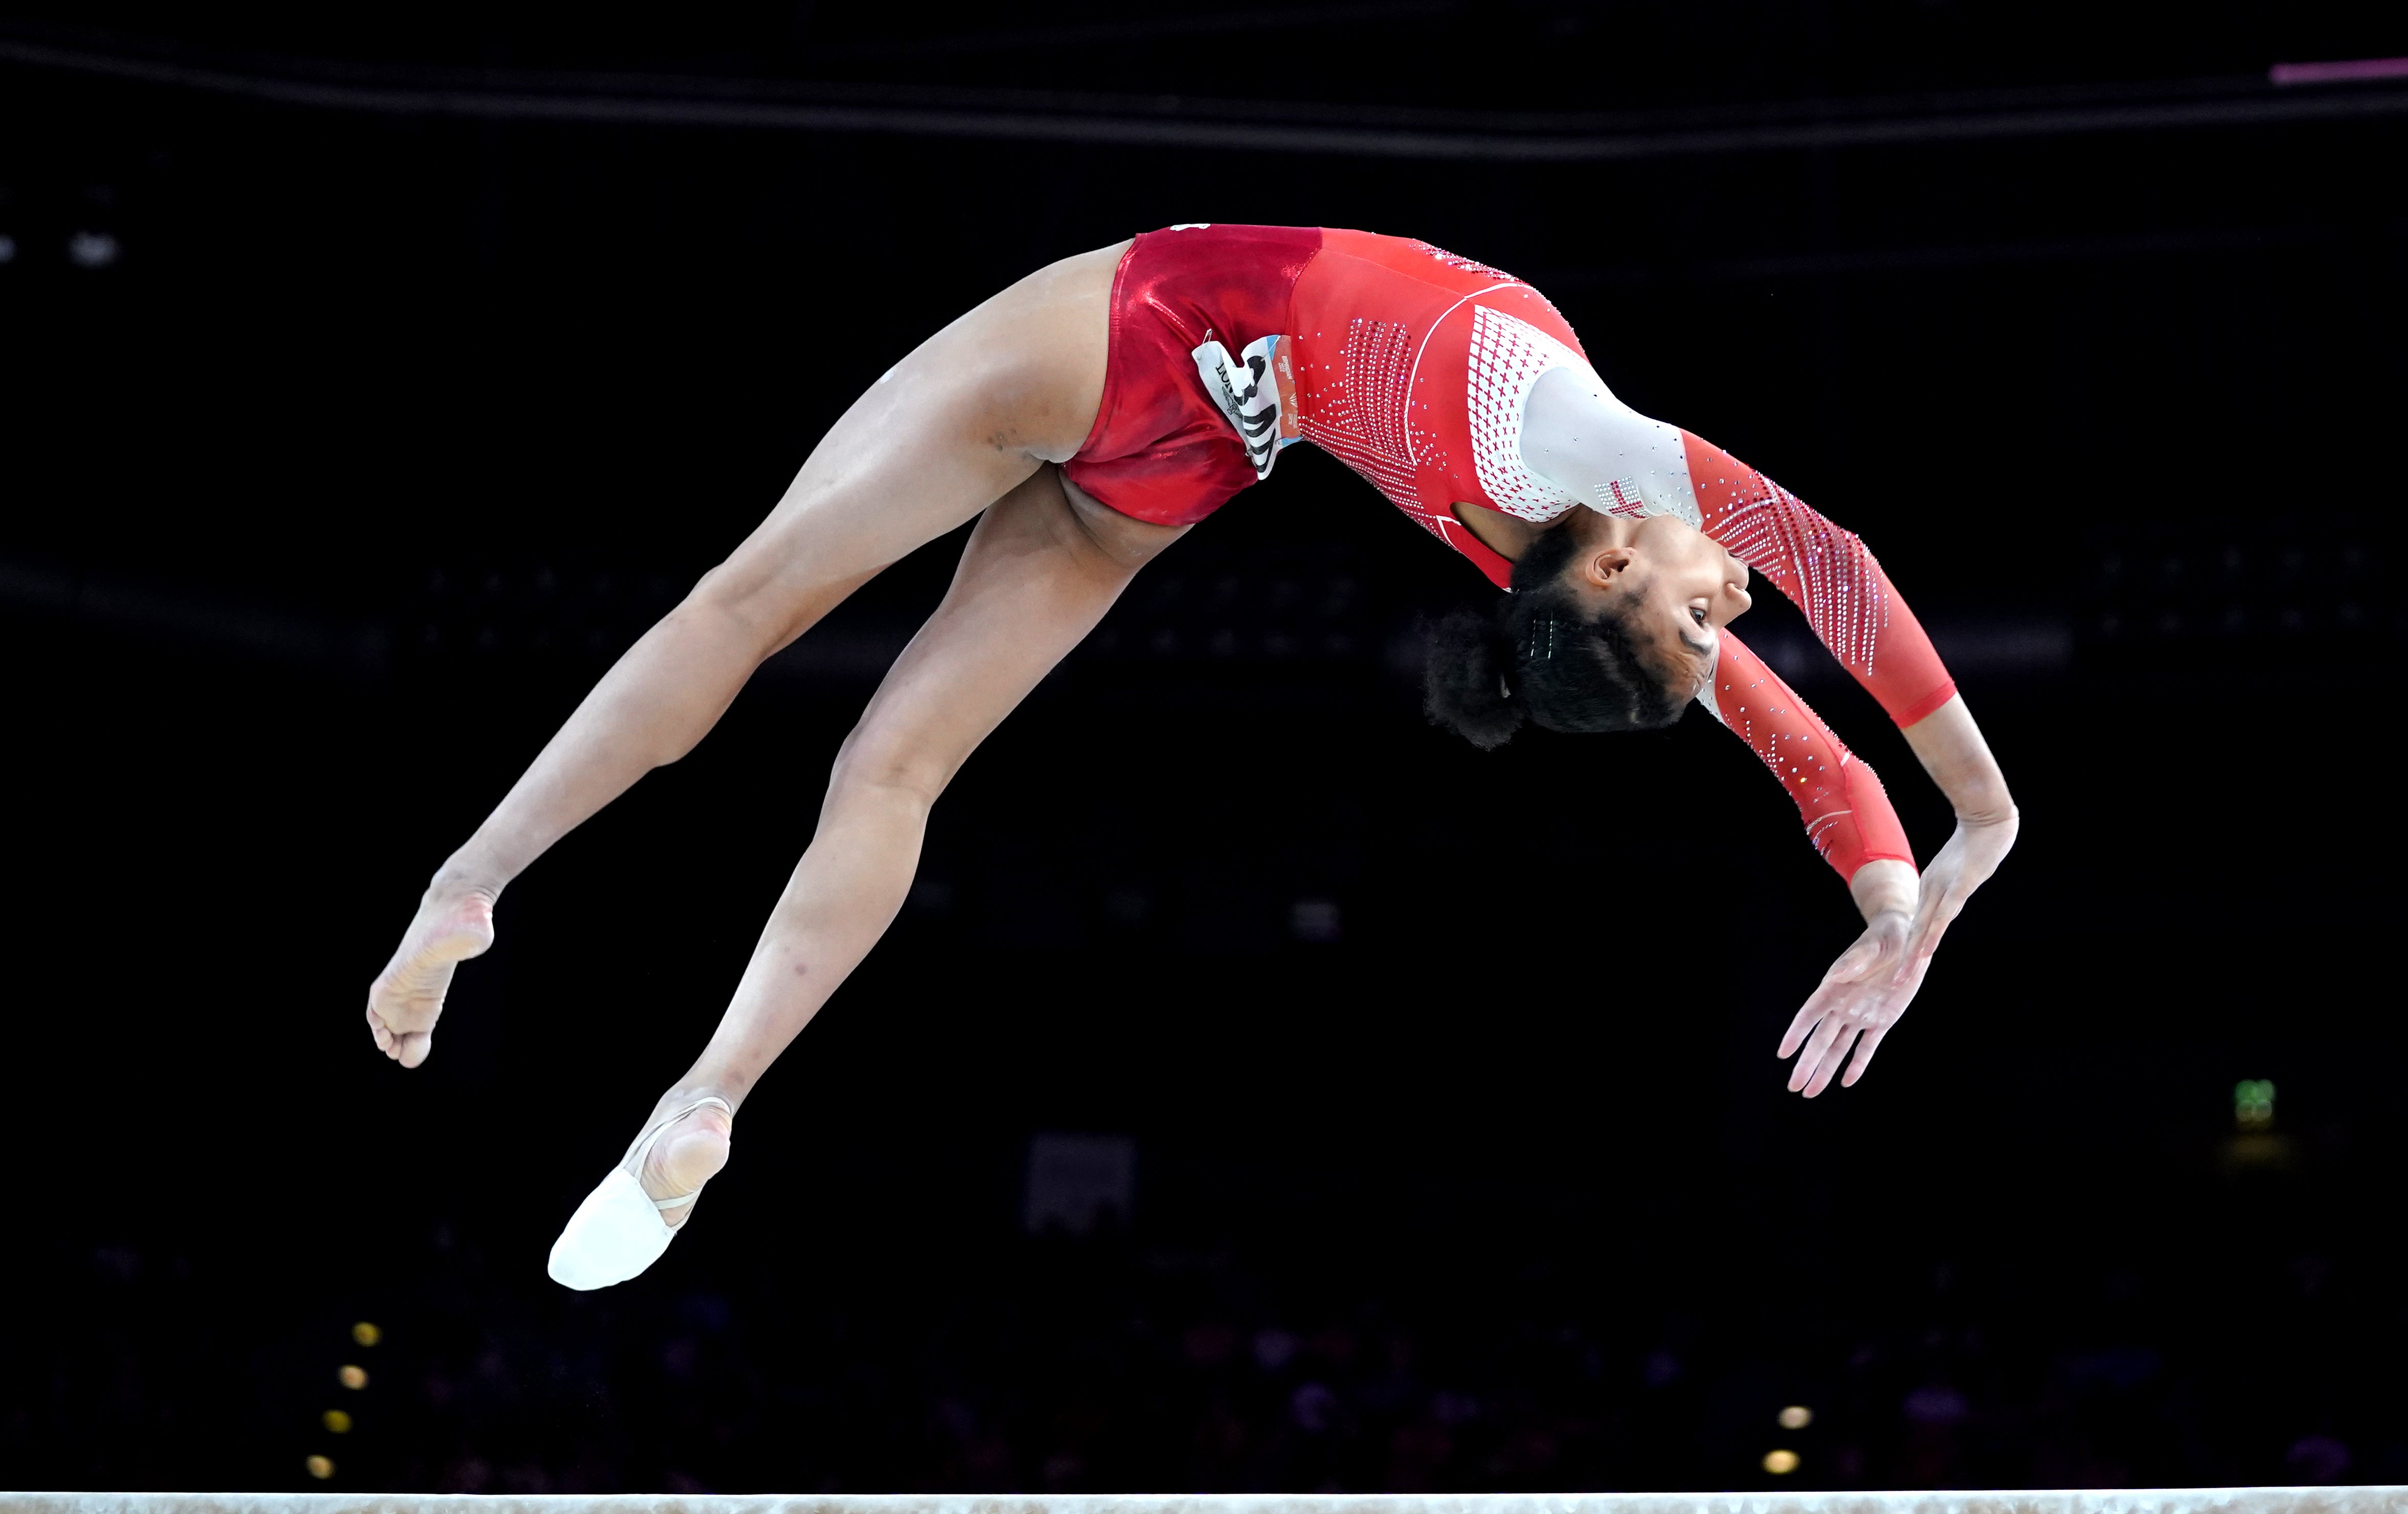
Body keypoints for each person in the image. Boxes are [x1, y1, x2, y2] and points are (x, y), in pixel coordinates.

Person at [364, 226, 2017, 1290]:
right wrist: (1900, 897)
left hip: (1128, 336)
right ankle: (708, 1093)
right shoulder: (1551, 559)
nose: (1731, 601)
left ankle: (474, 881)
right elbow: (1807, 739)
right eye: (1719, 618)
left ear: (1605, 577)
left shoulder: (1579, 453)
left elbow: (1835, 568)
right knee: (894, 770)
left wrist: (1970, 827)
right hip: (1194, 459)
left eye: (1699, 614)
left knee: (752, 600)